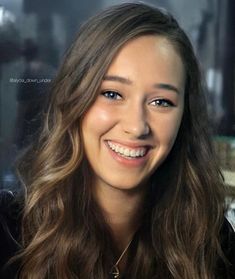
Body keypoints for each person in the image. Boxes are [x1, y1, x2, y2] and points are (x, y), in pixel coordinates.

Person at [0, 2, 234, 279]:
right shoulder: (8, 231)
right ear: (75, 98)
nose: (136, 127)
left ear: (185, 116)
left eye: (161, 101)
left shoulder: (212, 241)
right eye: (112, 94)